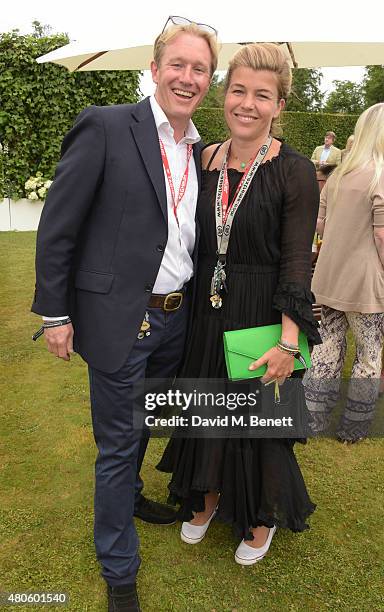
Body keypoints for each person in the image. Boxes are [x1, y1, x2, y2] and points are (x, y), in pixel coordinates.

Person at [31, 16, 218, 612]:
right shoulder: (110, 126)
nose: (187, 78)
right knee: (117, 442)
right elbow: (59, 226)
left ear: (208, 81)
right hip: (120, 318)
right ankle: (118, 563)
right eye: (179, 65)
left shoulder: (198, 150)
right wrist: (56, 313)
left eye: (200, 69)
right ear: (155, 68)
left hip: (177, 320)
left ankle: (133, 495)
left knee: (145, 426)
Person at [157, 42, 321, 566]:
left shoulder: (293, 171)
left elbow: (298, 261)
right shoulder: (203, 158)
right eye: (239, 91)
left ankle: (257, 517)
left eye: (262, 95)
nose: (247, 104)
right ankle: (203, 498)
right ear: (225, 95)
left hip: (261, 308)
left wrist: (289, 342)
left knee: (257, 422)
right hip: (207, 306)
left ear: (279, 106)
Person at [304, 103, 384, 443]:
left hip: (327, 277)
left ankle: (313, 417)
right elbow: (381, 234)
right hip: (365, 284)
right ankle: (353, 426)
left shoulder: (338, 176)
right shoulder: (380, 175)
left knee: (325, 347)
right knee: (370, 354)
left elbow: (319, 225)